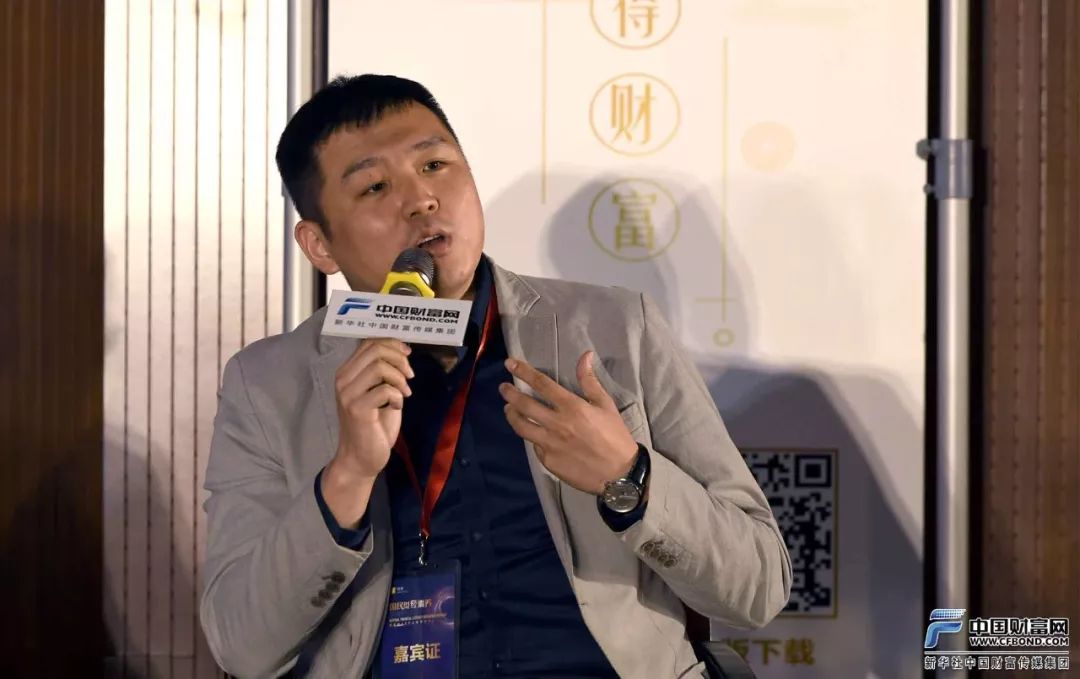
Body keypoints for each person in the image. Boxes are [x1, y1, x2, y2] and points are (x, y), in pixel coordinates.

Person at [200, 74, 791, 679]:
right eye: (375, 186)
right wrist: (346, 477)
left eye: (435, 165)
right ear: (319, 245)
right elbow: (241, 646)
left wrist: (627, 477)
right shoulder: (266, 386)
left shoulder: (616, 330)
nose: (421, 200)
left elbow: (758, 585)